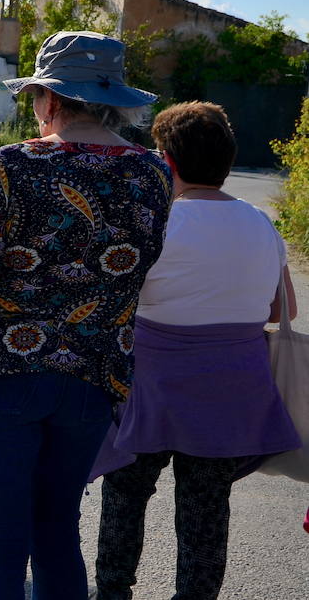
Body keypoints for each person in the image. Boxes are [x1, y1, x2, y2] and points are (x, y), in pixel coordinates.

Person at [0, 31, 173, 600]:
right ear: (110, 100)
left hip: (0, 373)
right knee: (57, 531)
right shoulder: (153, 172)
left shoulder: (15, 164)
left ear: (49, 99)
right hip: (93, 376)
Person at [91, 101, 300, 600]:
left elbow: (114, 301)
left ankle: (113, 591)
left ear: (165, 161)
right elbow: (280, 307)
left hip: (151, 387)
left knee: (126, 493)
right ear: (227, 162)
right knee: (207, 508)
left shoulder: (157, 223)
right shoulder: (261, 224)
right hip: (232, 389)